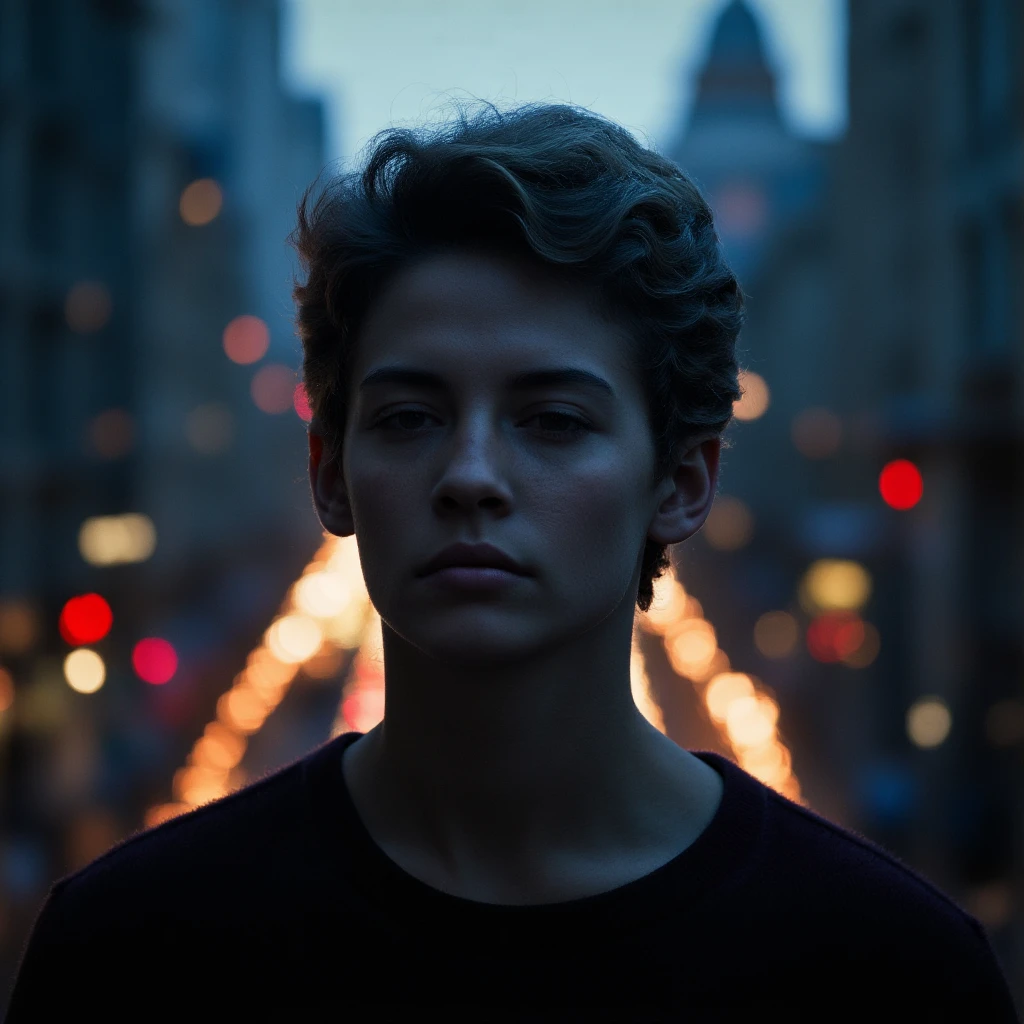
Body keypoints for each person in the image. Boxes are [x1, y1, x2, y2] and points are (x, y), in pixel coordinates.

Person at [7, 102, 1018, 1021]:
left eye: (552, 419)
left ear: (682, 481)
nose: (472, 473)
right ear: (329, 473)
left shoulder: (894, 979)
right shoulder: (128, 956)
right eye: (409, 417)